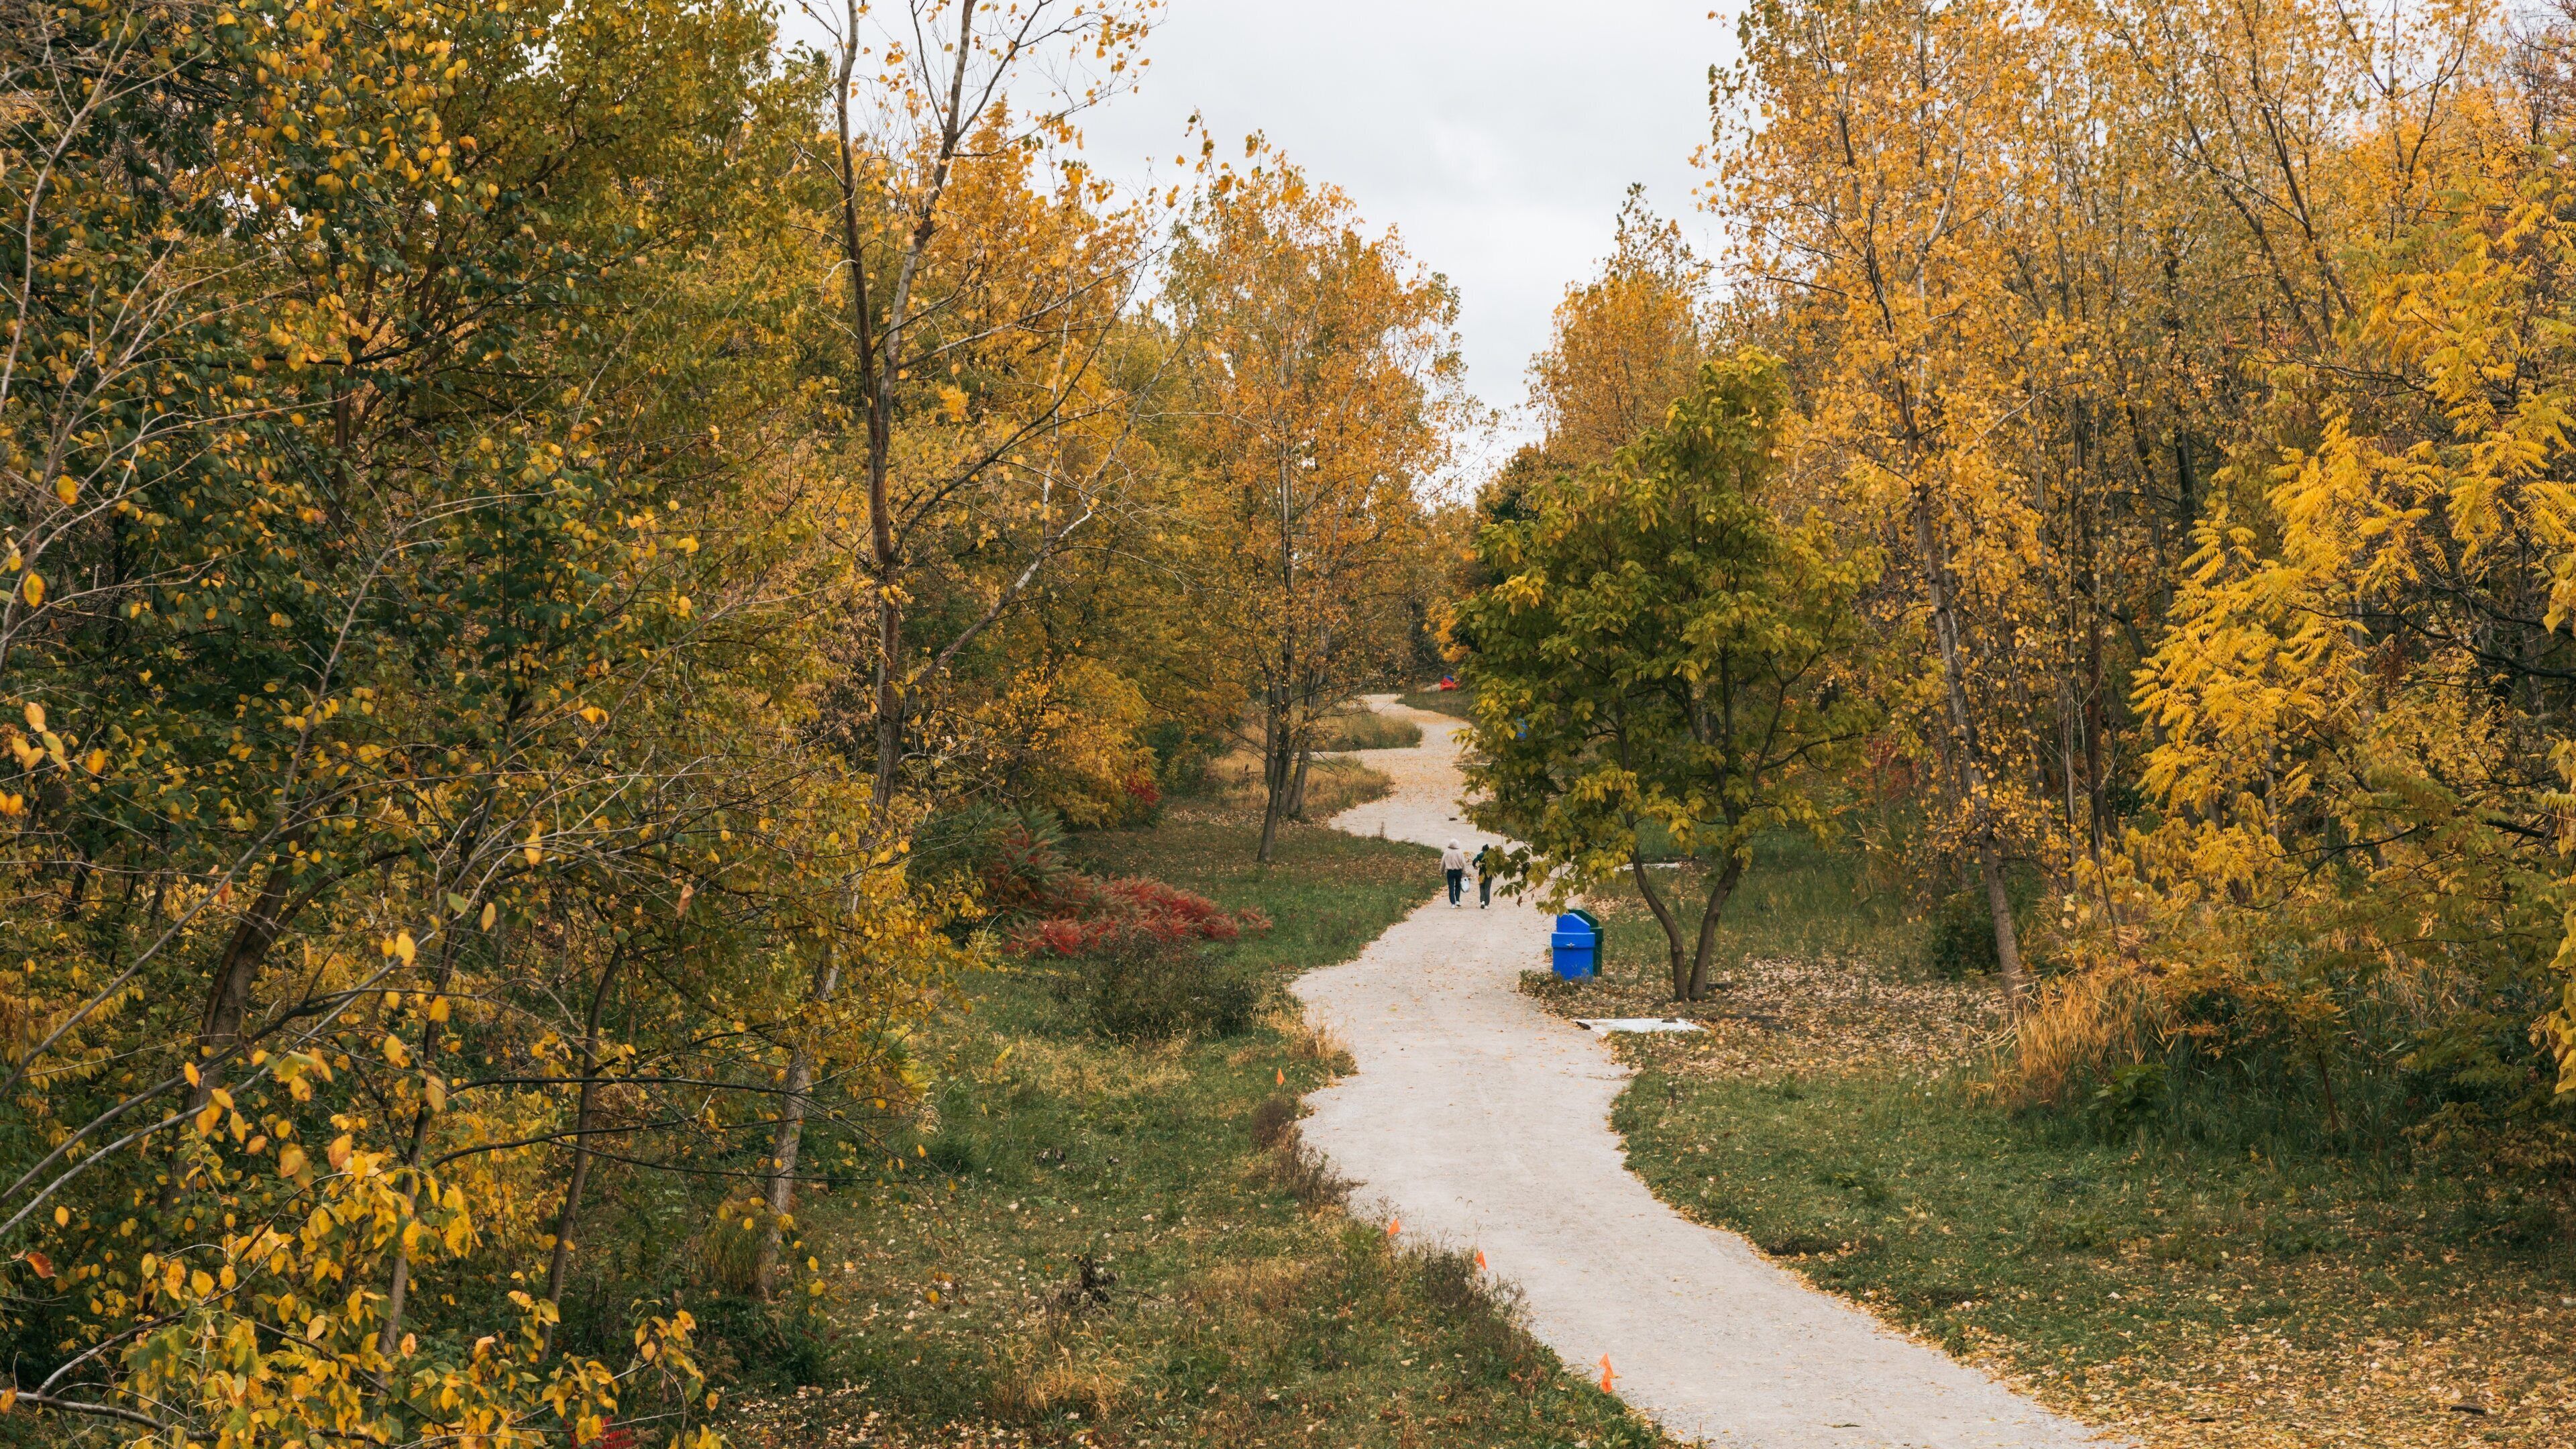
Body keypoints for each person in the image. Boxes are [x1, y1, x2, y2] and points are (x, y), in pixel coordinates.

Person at [1440, 840, 1468, 907]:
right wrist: (1464, 872)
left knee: (1451, 887)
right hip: (1458, 871)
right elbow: (1463, 863)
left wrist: (1442, 870)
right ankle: (1458, 900)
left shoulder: (1447, 851)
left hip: (1450, 872)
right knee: (1458, 886)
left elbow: (1443, 862)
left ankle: (1453, 903)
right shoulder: (1460, 852)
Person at [1476, 843, 1503, 908]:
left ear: (1483, 850)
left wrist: (1475, 866)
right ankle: (1486, 905)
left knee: (1482, 887)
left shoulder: (1480, 855)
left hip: (1481, 873)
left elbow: (1474, 861)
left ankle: (1482, 901)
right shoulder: (1492, 855)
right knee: (1487, 888)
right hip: (1489, 873)